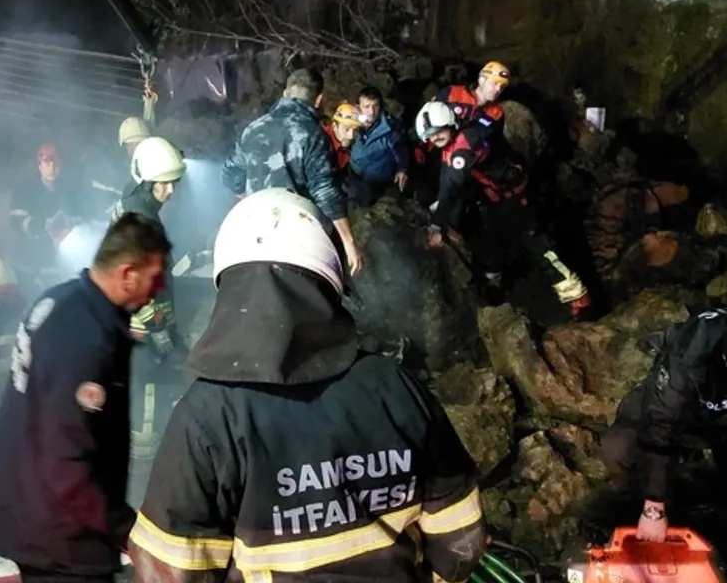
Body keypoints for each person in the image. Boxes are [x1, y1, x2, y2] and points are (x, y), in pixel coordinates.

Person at [127, 189, 486, 582]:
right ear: (329, 281)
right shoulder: (395, 386)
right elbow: (459, 541)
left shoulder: (207, 416)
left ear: (227, 286)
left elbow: (169, 571)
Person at [0, 212, 173, 582]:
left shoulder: (60, 299)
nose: (160, 289)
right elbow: (65, 461)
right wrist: (128, 532)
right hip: (56, 530)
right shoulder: (87, 340)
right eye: (156, 276)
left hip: (21, 499)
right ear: (127, 273)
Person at [597, 308, 727, 549]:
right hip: (686, 409)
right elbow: (659, 425)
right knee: (620, 450)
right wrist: (654, 507)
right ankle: (645, 510)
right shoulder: (688, 356)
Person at [415, 101, 591, 317]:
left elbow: (450, 187)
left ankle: (577, 298)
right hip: (496, 198)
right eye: (430, 135)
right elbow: (495, 115)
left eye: (438, 132)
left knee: (537, 245)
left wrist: (436, 224)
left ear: (450, 124)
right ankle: (494, 286)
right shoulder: (469, 130)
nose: (435, 138)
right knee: (491, 241)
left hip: (514, 199)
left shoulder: (462, 151)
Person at [221, 68, 363, 275]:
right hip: (299, 234)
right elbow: (324, 192)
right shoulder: (313, 134)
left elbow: (230, 174)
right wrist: (349, 243)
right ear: (319, 99)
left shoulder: (253, 129)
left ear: (285, 93)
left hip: (256, 229)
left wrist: (247, 198)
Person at [109, 136, 187, 460]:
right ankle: (144, 458)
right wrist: (159, 331)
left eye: (173, 183)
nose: (170, 191)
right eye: (163, 184)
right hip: (143, 329)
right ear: (146, 182)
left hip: (135, 324)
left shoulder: (133, 200)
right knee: (149, 394)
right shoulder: (142, 224)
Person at [10, 144, 83, 272]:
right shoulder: (25, 192)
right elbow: (16, 221)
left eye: (56, 163)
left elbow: (82, 215)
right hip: (33, 262)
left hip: (64, 261)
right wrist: (44, 224)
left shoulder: (70, 190)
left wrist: (71, 224)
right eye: (48, 163)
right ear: (39, 165)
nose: (52, 168)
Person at [347, 87, 409, 207]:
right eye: (366, 106)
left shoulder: (390, 130)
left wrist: (402, 169)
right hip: (352, 174)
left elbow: (401, 151)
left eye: (375, 106)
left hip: (375, 181)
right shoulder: (352, 121)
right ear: (358, 107)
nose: (371, 111)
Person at [434, 60, 510, 135]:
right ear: (482, 80)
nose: (498, 89)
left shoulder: (496, 114)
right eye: (495, 83)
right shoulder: (452, 93)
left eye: (502, 86)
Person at [89, 116, 151, 201]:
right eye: (131, 145)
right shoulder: (116, 173)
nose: (136, 149)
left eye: (139, 143)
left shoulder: (155, 169)